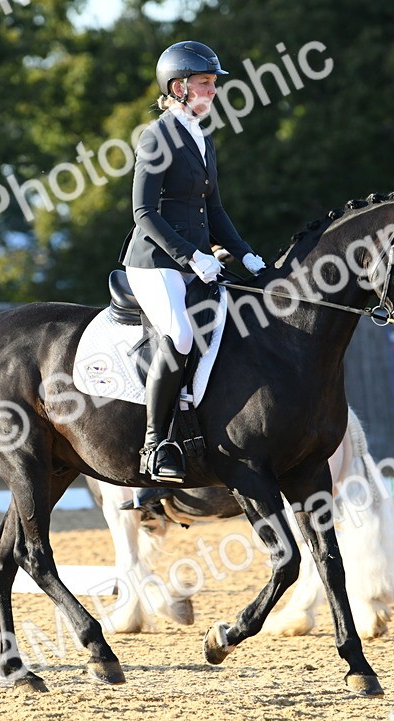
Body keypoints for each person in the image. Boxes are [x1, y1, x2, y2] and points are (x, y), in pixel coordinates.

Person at [121, 40, 268, 484]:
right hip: (154, 263)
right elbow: (143, 212)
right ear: (179, 87)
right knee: (181, 332)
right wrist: (191, 257)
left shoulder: (201, 138)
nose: (213, 91)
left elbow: (215, 211)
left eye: (213, 84)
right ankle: (154, 444)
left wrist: (246, 254)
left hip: (198, 261)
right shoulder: (156, 137)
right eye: (205, 83)